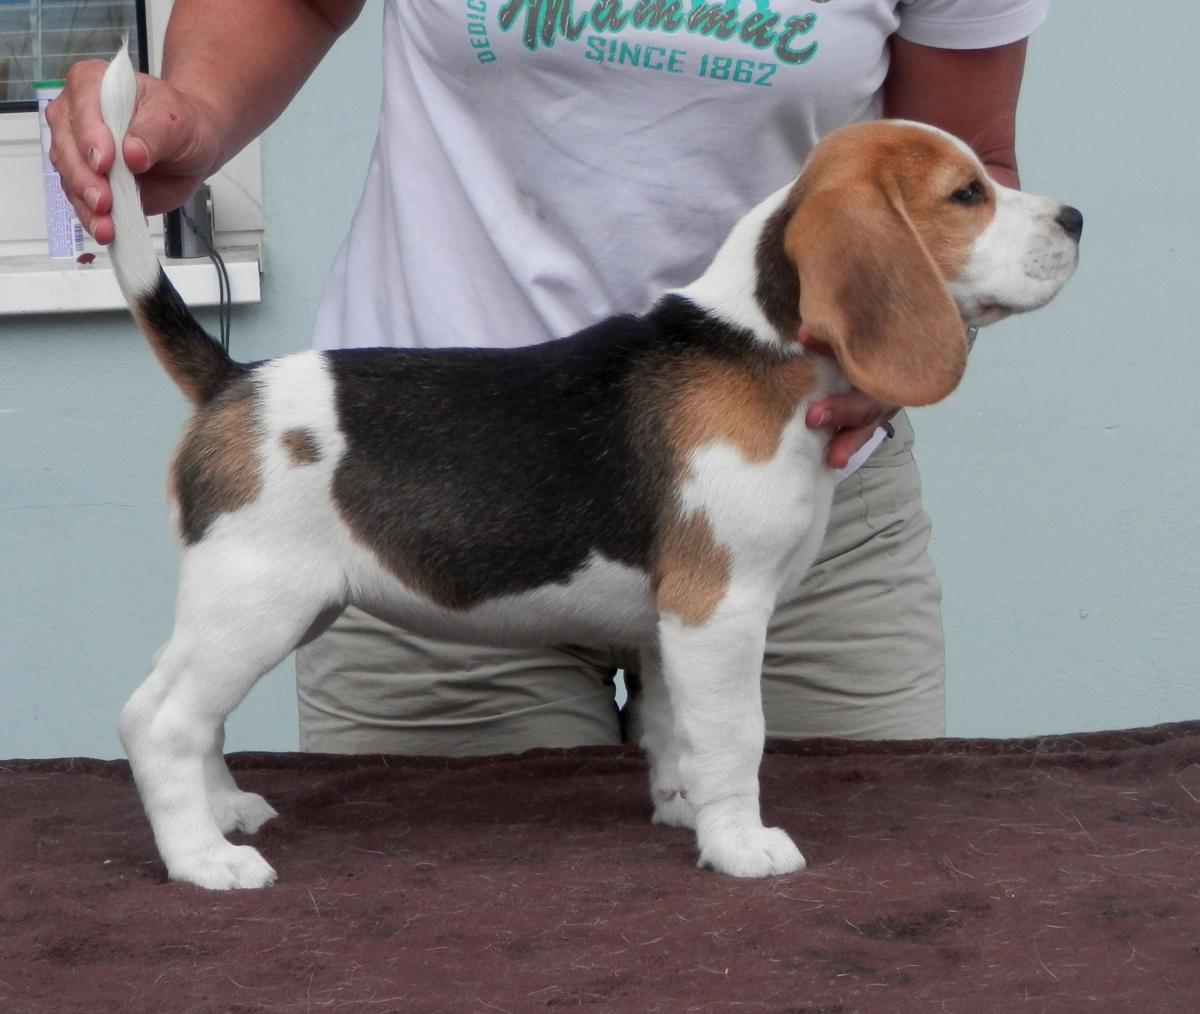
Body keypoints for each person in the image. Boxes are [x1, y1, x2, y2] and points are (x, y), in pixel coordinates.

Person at [49, 0, 1048, 756]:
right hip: (424, 479)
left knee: (840, 915)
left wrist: (899, 350)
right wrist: (193, 110)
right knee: (441, 930)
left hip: (798, 486)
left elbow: (969, 172)